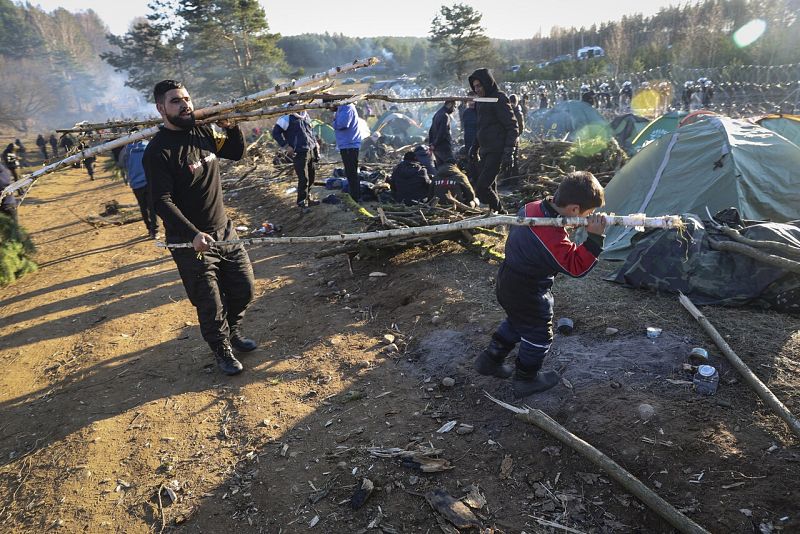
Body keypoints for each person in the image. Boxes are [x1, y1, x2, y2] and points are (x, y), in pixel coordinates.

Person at [143, 79, 256, 376]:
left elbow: (233, 152)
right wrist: (193, 234)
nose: (185, 105)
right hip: (190, 241)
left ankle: (233, 332)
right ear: (161, 109)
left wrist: (231, 128)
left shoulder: (202, 131)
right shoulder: (158, 151)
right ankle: (222, 350)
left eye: (187, 98)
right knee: (209, 301)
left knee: (244, 288)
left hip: (224, 230)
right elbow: (161, 201)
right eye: (175, 101)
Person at [474, 172, 606, 398]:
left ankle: (489, 360)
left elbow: (548, 238)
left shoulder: (531, 208)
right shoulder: (550, 238)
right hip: (528, 290)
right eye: (589, 213)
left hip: (508, 279)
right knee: (538, 334)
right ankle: (526, 379)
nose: (590, 216)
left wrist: (565, 227)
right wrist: (594, 238)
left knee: (518, 322)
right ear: (574, 210)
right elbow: (576, 267)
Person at [467, 68, 518, 213]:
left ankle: (501, 212)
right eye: (474, 87)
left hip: (497, 150)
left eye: (479, 86)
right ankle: (495, 214)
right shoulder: (481, 101)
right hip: (485, 150)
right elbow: (481, 127)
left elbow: (512, 126)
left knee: (482, 187)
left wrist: (510, 150)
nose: (477, 89)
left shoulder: (499, 98)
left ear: (487, 83)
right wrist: (474, 147)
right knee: (491, 186)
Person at [271, 96, 320, 211]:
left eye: (298, 101)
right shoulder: (286, 118)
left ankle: (309, 198)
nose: (296, 103)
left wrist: (316, 144)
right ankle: (301, 203)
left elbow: (310, 131)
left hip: (310, 149)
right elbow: (276, 133)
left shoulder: (305, 114)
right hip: (298, 152)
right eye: (294, 102)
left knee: (312, 176)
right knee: (304, 178)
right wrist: (286, 146)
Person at [121, 134, 159, 238]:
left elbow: (123, 165)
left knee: (143, 207)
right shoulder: (148, 145)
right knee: (152, 207)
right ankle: (155, 230)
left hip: (136, 183)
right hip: (148, 181)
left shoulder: (126, 150)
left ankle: (149, 229)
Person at [330, 99, 364, 202]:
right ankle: (355, 195)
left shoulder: (346, 107)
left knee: (351, 172)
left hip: (349, 144)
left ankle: (356, 197)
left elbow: (343, 124)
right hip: (347, 143)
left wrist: (334, 122)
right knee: (350, 172)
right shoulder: (343, 107)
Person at [428, 99, 456, 167]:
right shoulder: (445, 115)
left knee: (440, 169)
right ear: (449, 105)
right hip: (444, 147)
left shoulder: (437, 114)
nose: (454, 109)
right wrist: (434, 144)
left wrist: (432, 144)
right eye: (454, 106)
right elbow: (442, 132)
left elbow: (431, 130)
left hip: (437, 148)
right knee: (450, 167)